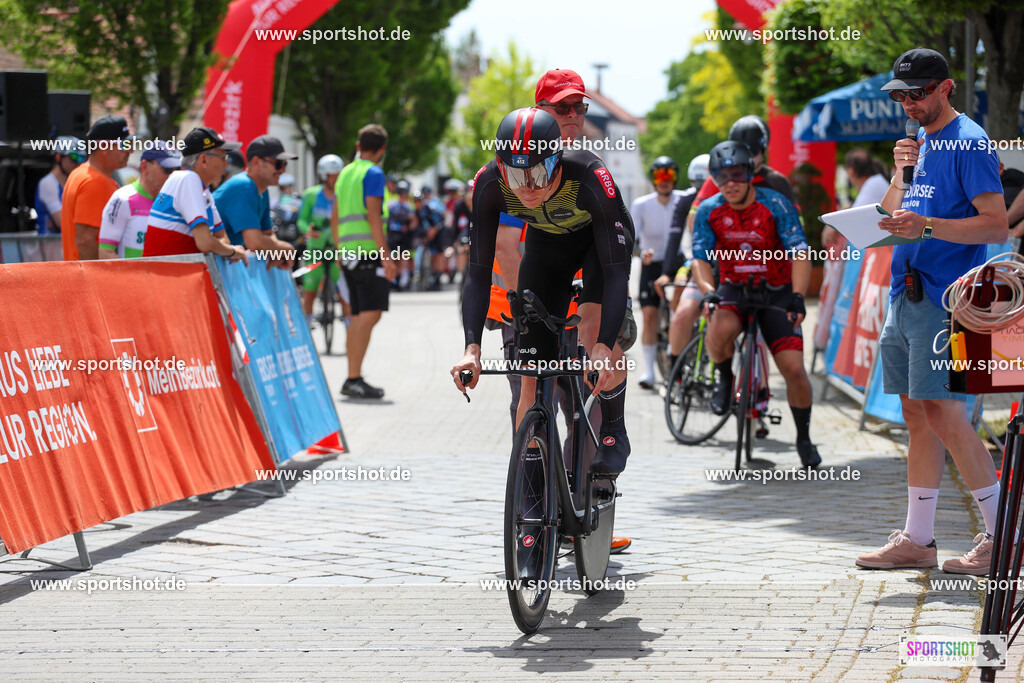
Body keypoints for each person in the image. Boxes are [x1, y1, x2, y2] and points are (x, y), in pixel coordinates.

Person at [855, 48, 1009, 574]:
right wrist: (901, 175)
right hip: (907, 294)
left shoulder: (969, 141)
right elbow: (890, 217)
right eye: (900, 95)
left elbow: (995, 225)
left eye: (918, 93)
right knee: (917, 416)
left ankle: (1003, 538)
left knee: (945, 414)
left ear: (946, 87)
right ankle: (918, 540)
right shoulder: (917, 144)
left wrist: (926, 226)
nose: (909, 104)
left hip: (948, 299)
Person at [453, 107, 633, 477]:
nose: (528, 188)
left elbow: (616, 274)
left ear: (557, 159)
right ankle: (532, 483)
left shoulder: (589, 174)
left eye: (538, 173)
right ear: (501, 166)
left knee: (591, 329)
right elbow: (478, 271)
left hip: (598, 245)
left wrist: (602, 346)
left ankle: (615, 429)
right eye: (516, 175)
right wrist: (472, 349)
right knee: (531, 376)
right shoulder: (489, 182)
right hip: (547, 247)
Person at [498, 68, 636, 552]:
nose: (574, 115)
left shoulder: (587, 167)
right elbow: (507, 249)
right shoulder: (518, 160)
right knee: (533, 401)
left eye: (579, 107)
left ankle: (589, 505)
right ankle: (536, 508)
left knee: (596, 375)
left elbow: (611, 251)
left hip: (590, 284)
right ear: (539, 111)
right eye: (562, 108)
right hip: (527, 292)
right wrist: (528, 306)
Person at [692, 140, 821, 469]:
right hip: (734, 289)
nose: (730, 183)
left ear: (750, 174)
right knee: (717, 328)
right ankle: (725, 378)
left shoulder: (775, 204)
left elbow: (800, 251)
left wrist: (798, 295)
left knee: (794, 369)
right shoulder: (709, 209)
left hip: (776, 291)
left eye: (737, 174)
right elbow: (700, 258)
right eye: (721, 176)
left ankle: (804, 438)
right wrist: (708, 290)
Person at [331, 124, 397, 399]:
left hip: (349, 253)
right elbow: (373, 215)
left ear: (358, 146)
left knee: (359, 315)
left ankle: (353, 376)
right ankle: (353, 377)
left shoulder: (345, 173)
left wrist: (339, 251)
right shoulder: (374, 173)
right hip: (367, 253)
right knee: (369, 314)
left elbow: (335, 216)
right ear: (382, 149)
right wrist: (386, 257)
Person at [142, 126, 248, 264]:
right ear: (203, 160)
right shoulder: (187, 179)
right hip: (164, 275)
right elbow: (205, 243)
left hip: (171, 273)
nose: (226, 164)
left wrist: (226, 249)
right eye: (223, 157)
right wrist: (233, 252)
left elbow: (223, 238)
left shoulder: (202, 189)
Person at [630, 156, 688, 388]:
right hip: (651, 263)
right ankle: (649, 372)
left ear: (676, 178)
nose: (664, 181)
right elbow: (631, 239)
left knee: (681, 311)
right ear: (653, 179)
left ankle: (678, 357)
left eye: (669, 175)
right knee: (649, 315)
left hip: (677, 263)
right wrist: (641, 253)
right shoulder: (641, 204)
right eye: (659, 176)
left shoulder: (684, 200)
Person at [213, 135, 297, 268]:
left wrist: (276, 252)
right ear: (257, 162)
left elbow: (267, 234)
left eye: (284, 164)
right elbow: (254, 242)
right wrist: (286, 249)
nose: (283, 170)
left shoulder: (261, 190)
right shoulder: (244, 187)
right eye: (278, 164)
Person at [653, 155, 705, 367]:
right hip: (692, 259)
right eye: (697, 184)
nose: (702, 190)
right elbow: (674, 238)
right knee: (679, 287)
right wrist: (666, 273)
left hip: (717, 260)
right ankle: (677, 334)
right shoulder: (685, 200)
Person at [62, 116, 133, 260]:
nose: (130, 151)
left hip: (77, 270)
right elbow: (85, 241)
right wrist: (97, 273)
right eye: (124, 145)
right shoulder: (95, 182)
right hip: (87, 272)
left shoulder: (79, 174)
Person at [98, 142, 181, 258]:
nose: (173, 176)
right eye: (167, 170)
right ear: (145, 166)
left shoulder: (177, 201)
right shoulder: (123, 199)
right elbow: (105, 253)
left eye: (177, 170)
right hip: (132, 270)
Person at [299, 155, 344, 323]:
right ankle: (307, 324)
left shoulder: (343, 194)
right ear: (323, 176)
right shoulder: (311, 194)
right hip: (315, 249)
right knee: (309, 291)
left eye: (337, 175)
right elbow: (302, 219)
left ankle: (349, 326)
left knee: (344, 293)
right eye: (331, 176)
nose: (335, 179)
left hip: (336, 249)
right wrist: (308, 230)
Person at [35, 136, 84, 234]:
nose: (78, 163)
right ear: (58, 157)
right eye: (74, 157)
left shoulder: (71, 183)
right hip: (50, 242)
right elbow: (62, 222)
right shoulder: (48, 183)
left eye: (82, 158)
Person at [387, 179, 417, 290]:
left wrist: (410, 229)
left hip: (402, 235)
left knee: (402, 258)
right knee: (395, 257)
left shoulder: (407, 206)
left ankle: (399, 278)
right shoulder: (391, 204)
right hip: (393, 234)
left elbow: (413, 220)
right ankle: (395, 278)